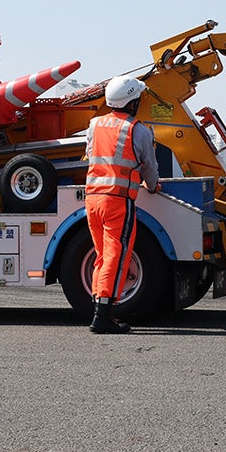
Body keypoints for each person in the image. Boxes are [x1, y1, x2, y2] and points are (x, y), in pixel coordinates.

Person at [84, 74, 162, 334]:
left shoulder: (94, 125)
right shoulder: (136, 129)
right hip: (117, 200)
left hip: (92, 199)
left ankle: (99, 307)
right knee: (116, 256)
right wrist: (152, 185)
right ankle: (103, 315)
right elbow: (150, 167)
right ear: (132, 103)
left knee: (102, 256)